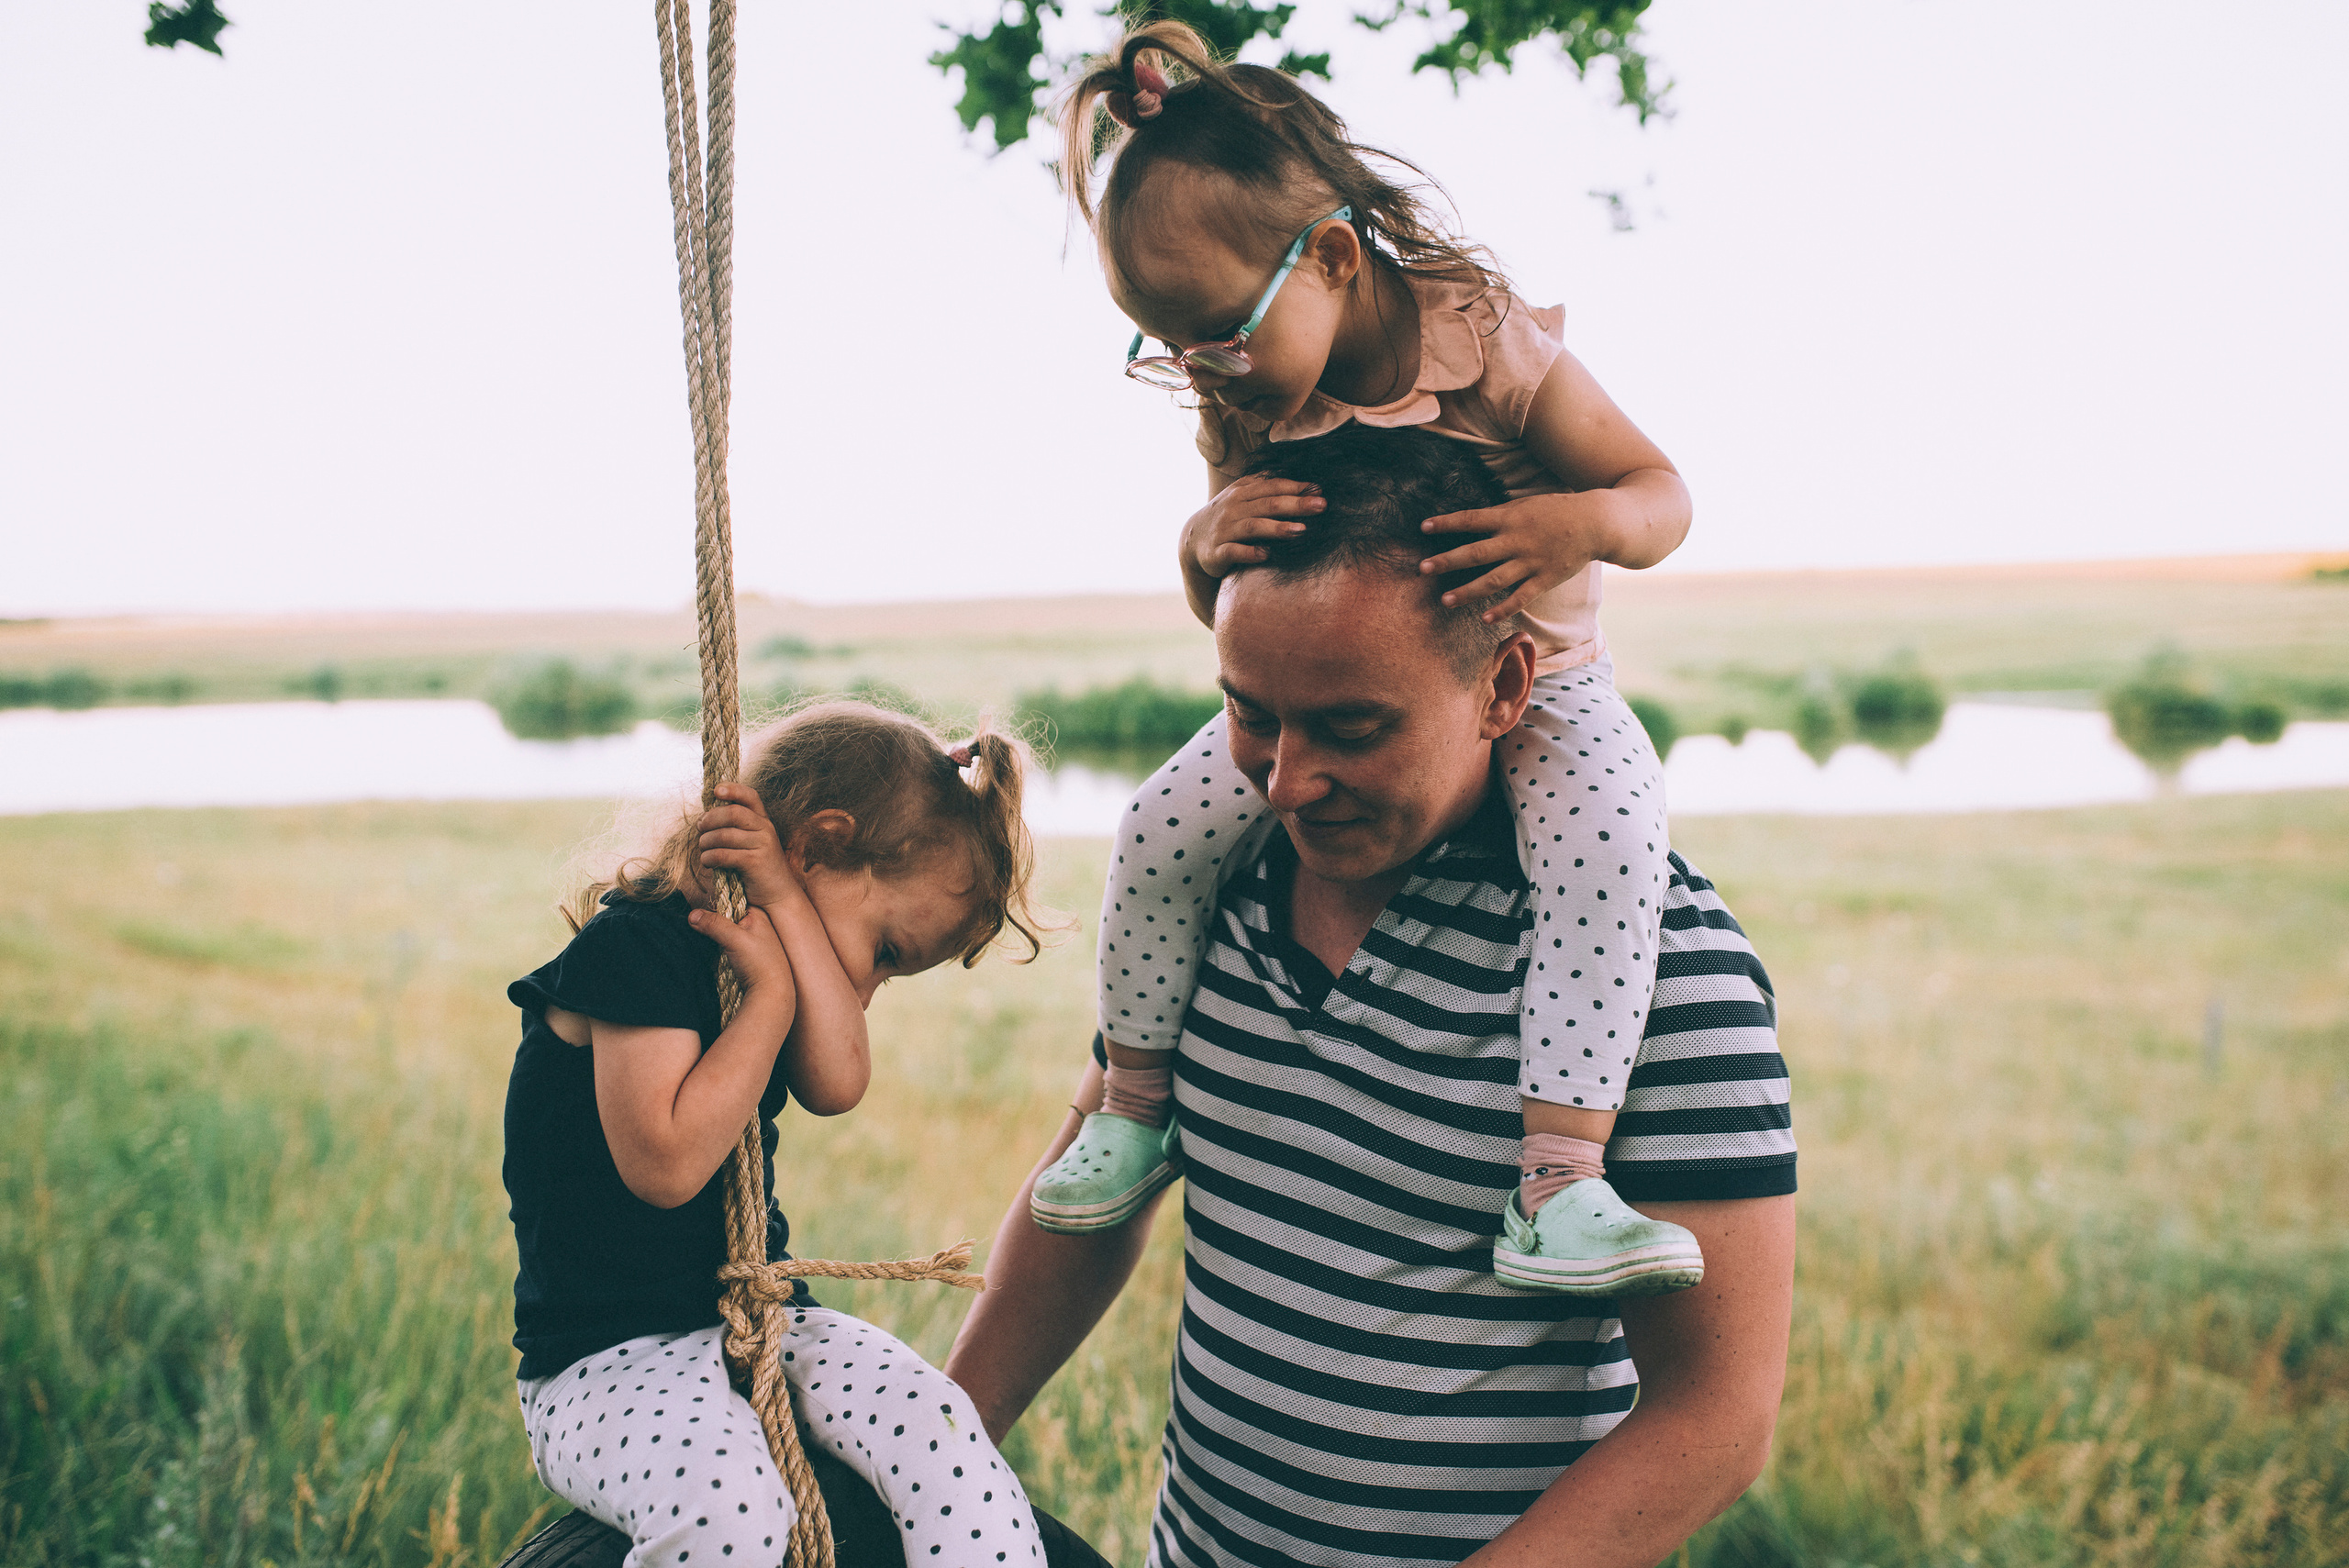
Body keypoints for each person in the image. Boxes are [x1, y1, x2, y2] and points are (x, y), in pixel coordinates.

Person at [948, 427, 1796, 1568]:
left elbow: (1714, 1417)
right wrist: (939, 1446)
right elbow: (1085, 1203)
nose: (1287, 779)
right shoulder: (1206, 888)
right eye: (1252, 713)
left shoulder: (1659, 964)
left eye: (1352, 726)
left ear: (1502, 685)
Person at [1027, 21, 1704, 1296]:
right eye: (1167, 343)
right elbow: (1257, 609)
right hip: (1341, 708)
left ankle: (1559, 1179)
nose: (1198, 369)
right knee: (1161, 828)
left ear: (1330, 255)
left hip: (1540, 684)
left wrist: (1581, 522)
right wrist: (1199, 546)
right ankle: (1132, 1102)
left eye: (1216, 332)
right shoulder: (1247, 398)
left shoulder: (1485, 340)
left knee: (1610, 846)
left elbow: (1660, 491)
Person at [502, 702, 1052, 1568]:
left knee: (940, 1427)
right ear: (823, 843)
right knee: (733, 1511)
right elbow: (669, 1163)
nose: (865, 993)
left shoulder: (771, 951)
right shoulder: (635, 951)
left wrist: (787, 906)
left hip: (757, 1322)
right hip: (601, 1364)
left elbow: (838, 1081)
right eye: (885, 952)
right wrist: (768, 1000)